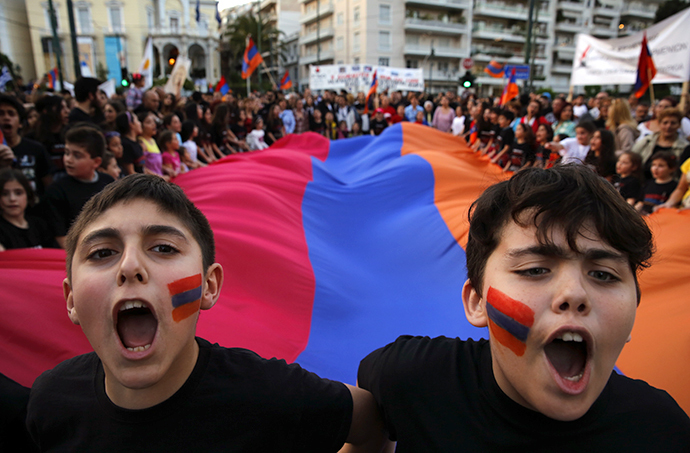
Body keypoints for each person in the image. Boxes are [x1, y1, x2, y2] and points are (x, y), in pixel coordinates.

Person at [26, 174, 386, 451]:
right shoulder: (49, 403)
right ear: (71, 298)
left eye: (164, 248)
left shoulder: (273, 394)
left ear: (208, 286)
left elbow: (375, 425)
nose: (130, 266)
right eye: (102, 253)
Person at [354, 164, 690, 451]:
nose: (574, 293)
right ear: (477, 302)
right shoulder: (408, 378)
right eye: (535, 270)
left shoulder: (663, 432)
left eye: (603, 274)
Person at [41, 126, 115, 248]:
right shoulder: (56, 191)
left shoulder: (108, 182)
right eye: (67, 153)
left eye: (77, 155)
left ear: (96, 162)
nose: (68, 160)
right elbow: (61, 237)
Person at [0, 94, 53, 197]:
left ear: (20, 123)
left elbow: (48, 184)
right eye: (1, 113)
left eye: (11, 114)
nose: (6, 118)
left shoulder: (36, 149)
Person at [0, 168, 56, 250]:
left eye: (18, 193)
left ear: (28, 195)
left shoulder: (40, 225)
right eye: (4, 194)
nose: (12, 199)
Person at [631, 108, 689, 181]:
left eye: (673, 123)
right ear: (659, 124)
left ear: (679, 125)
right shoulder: (646, 141)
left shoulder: (685, 147)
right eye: (665, 123)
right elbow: (632, 158)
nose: (668, 126)